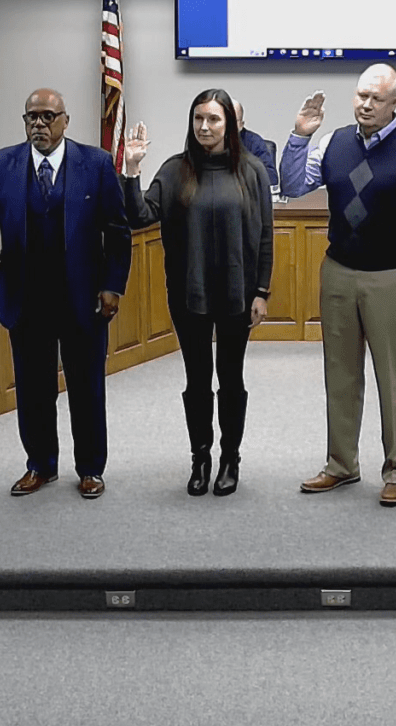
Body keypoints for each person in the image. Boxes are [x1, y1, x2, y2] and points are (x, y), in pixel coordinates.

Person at [280, 63, 396, 507]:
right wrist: (300, 136)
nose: (365, 105)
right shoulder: (334, 142)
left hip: (391, 278)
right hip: (338, 271)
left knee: (394, 378)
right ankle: (340, 464)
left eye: (376, 99)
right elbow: (293, 184)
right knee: (339, 374)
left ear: (394, 103)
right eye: (361, 96)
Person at [0, 88, 132, 499]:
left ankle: (89, 468)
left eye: (48, 117)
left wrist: (113, 285)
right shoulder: (4, 163)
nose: (39, 125)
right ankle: (41, 464)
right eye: (32, 117)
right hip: (27, 298)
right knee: (33, 390)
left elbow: (118, 232)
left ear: (66, 121)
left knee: (86, 388)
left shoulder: (96, 164)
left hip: (82, 298)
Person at [122, 90, 273, 497]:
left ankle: (230, 458)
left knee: (231, 378)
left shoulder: (252, 171)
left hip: (238, 295)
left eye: (214, 120)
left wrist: (262, 291)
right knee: (197, 380)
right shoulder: (174, 172)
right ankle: (200, 458)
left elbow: (265, 237)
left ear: (230, 125)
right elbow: (139, 217)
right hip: (189, 294)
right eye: (198, 120)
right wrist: (132, 171)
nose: (204, 127)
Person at [233, 99, 278, 186]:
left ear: (241, 125)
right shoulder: (205, 141)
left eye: (232, 121)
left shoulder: (254, 142)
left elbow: (271, 178)